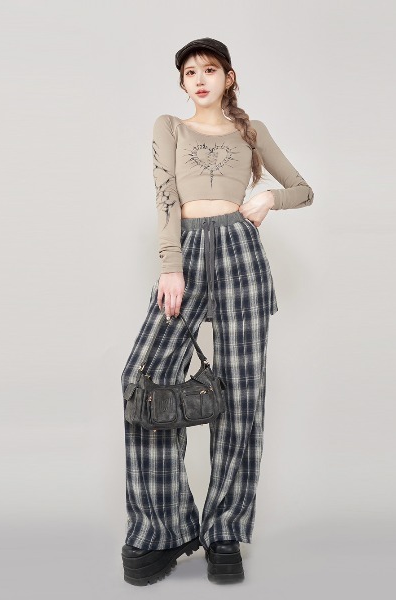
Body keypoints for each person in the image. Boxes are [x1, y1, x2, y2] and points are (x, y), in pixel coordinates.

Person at [120, 37, 314, 586]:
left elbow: (303, 190)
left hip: (238, 251)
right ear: (182, 83)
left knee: (241, 391)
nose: (199, 79)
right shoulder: (169, 127)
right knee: (144, 380)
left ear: (229, 77)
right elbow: (165, 197)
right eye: (190, 72)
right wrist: (170, 265)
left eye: (209, 69)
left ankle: (224, 529)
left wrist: (269, 197)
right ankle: (162, 529)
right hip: (184, 252)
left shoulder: (252, 132)